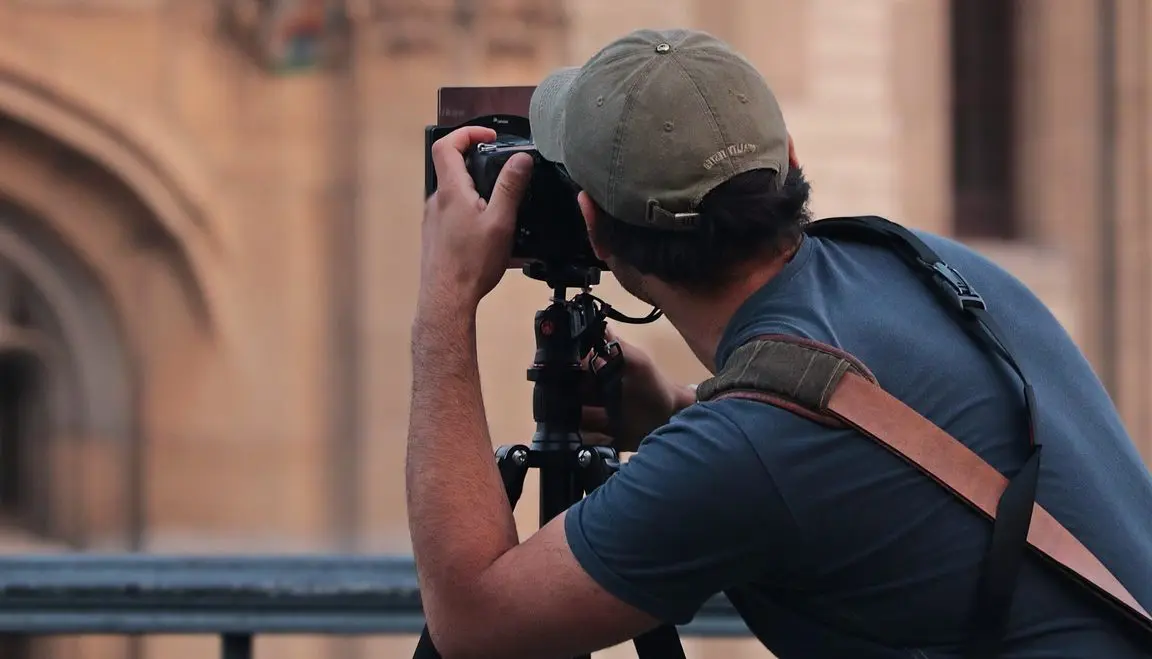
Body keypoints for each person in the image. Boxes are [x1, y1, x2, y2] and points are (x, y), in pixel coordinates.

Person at [407, 28, 1152, 659]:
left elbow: (474, 621)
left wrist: (445, 302)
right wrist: (673, 411)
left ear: (594, 226)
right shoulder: (927, 264)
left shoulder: (747, 449)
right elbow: (847, 468)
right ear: (789, 159)